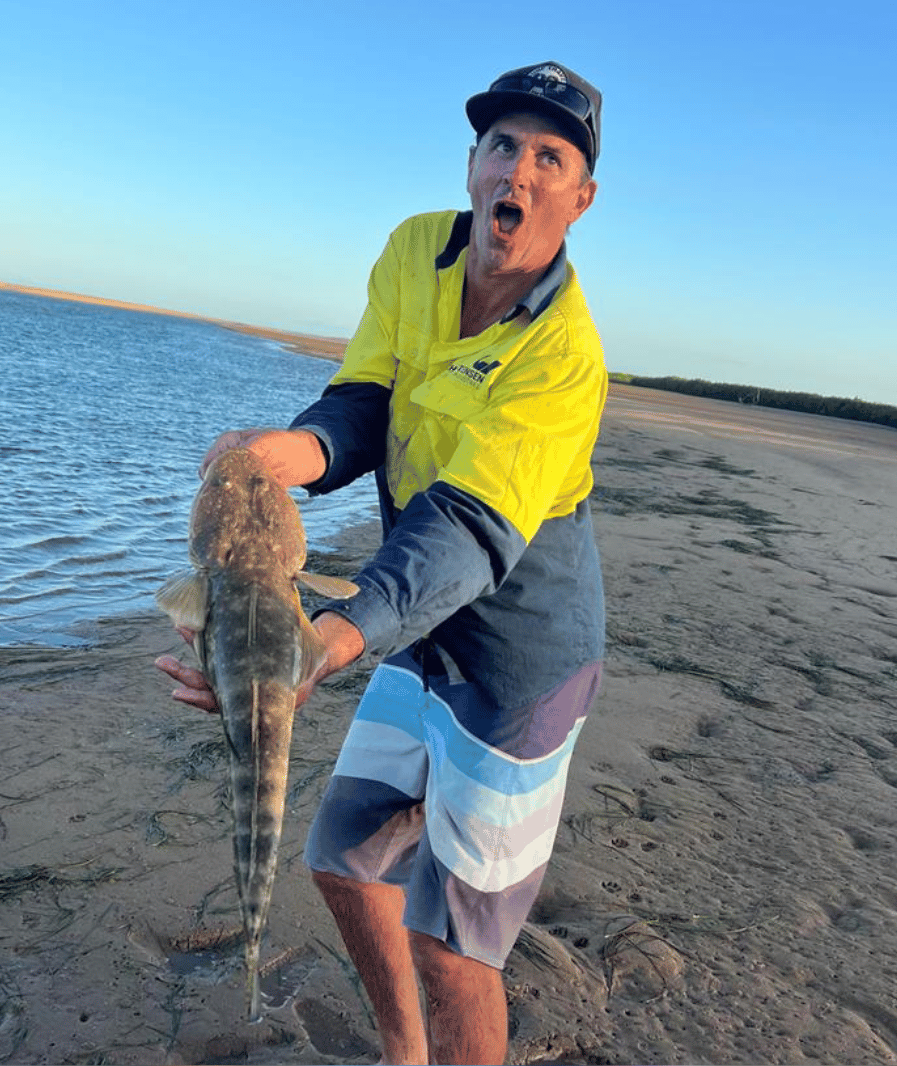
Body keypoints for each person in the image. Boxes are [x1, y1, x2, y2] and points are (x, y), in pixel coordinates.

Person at [157, 61, 608, 1066]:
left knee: (449, 944)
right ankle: (406, 1056)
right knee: (344, 859)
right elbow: (364, 401)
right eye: (502, 146)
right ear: (472, 163)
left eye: (549, 156)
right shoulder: (415, 252)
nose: (518, 172)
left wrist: (330, 636)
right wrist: (290, 455)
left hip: (517, 665)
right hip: (417, 633)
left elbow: (469, 529)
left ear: (580, 199)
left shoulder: (565, 356)